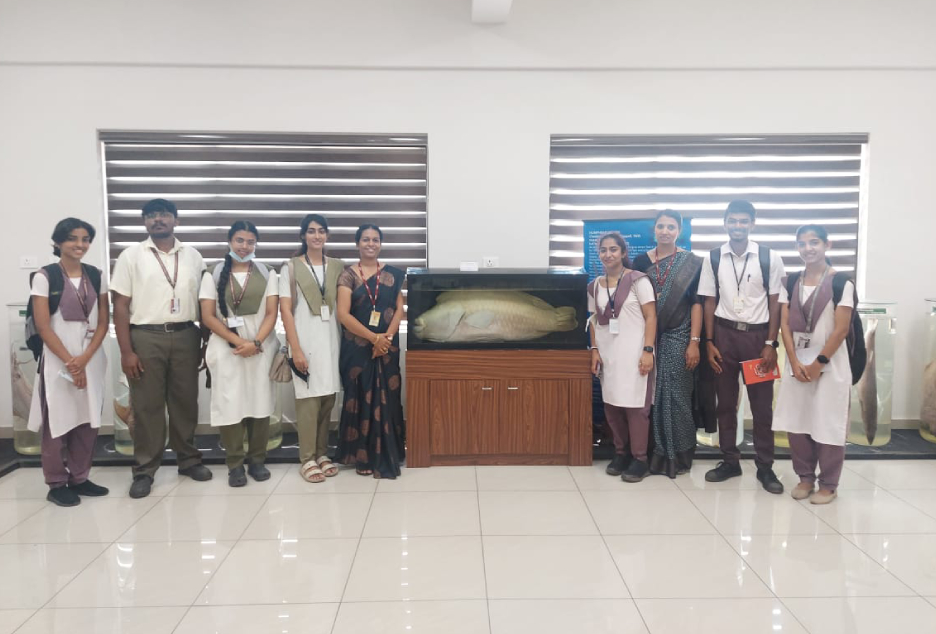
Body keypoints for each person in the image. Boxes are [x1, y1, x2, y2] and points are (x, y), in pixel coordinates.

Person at [111, 198, 211, 498]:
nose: (158, 220)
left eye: (164, 215)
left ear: (175, 221)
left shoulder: (194, 256)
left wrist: (205, 343)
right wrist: (126, 352)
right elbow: (120, 305)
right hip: (145, 337)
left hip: (185, 335)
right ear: (144, 222)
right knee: (147, 405)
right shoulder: (131, 256)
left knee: (185, 401)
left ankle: (188, 459)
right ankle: (145, 469)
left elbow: (205, 303)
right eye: (152, 216)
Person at [698, 200, 786, 493]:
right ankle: (729, 461)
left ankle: (765, 467)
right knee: (725, 403)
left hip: (757, 338)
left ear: (752, 224)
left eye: (743, 221)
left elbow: (776, 303)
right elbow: (709, 301)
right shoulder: (713, 258)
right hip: (724, 336)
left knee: (762, 408)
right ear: (724, 223)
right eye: (732, 221)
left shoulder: (769, 257)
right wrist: (709, 342)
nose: (737, 226)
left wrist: (771, 343)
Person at [27, 218, 110, 506]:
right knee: (57, 422)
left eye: (85, 239)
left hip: (91, 358)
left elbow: (103, 323)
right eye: (73, 238)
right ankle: (56, 482)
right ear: (58, 242)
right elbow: (43, 326)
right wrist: (71, 362)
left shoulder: (96, 275)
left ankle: (80, 477)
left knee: (87, 420)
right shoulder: (45, 276)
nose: (80, 244)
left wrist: (85, 359)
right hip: (57, 361)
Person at [774, 225, 854, 504]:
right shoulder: (792, 281)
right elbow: (784, 323)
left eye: (814, 242)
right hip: (797, 364)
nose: (808, 248)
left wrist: (819, 363)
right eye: (802, 243)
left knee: (828, 421)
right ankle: (805, 478)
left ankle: (828, 484)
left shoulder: (841, 282)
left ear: (827, 245)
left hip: (830, 365)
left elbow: (841, 329)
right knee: (798, 420)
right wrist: (793, 361)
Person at [200, 221, 279, 487]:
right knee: (229, 405)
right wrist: (237, 342)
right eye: (239, 241)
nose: (244, 247)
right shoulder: (212, 273)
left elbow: (271, 313)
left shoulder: (267, 273)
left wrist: (255, 343)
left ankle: (257, 460)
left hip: (260, 347)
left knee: (260, 403)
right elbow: (208, 316)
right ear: (230, 242)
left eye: (250, 242)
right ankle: (235, 464)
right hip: (226, 348)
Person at [633, 210, 703, 477]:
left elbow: (696, 304)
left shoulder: (692, 262)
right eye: (660, 226)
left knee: (677, 396)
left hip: (679, 335)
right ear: (654, 230)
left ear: (679, 231)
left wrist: (694, 342)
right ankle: (653, 453)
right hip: (648, 337)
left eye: (670, 227)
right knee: (649, 396)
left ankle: (680, 455)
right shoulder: (640, 261)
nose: (665, 231)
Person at [335, 224, 405, 478]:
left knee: (389, 396)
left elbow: (399, 310)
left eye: (375, 240)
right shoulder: (347, 276)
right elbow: (343, 314)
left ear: (381, 244)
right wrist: (374, 338)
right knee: (360, 397)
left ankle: (391, 450)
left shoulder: (394, 274)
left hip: (386, 348)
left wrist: (385, 339)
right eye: (365, 239)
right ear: (357, 244)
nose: (371, 244)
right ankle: (361, 455)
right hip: (358, 349)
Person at [279, 214, 343, 483]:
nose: (317, 236)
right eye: (311, 231)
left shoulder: (338, 267)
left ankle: (322, 453)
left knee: (328, 399)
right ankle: (306, 458)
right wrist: (296, 349)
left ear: (327, 236)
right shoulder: (290, 267)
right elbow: (286, 310)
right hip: (304, 341)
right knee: (308, 402)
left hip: (332, 342)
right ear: (303, 235)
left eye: (321, 231)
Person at [589, 232, 657, 483]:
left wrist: (648, 351)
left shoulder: (639, 281)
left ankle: (640, 459)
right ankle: (621, 453)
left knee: (637, 407)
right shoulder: (594, 285)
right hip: (609, 356)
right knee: (612, 405)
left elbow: (651, 317)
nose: (608, 254)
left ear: (623, 253)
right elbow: (593, 321)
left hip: (636, 353)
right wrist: (594, 349)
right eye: (604, 250)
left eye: (613, 249)